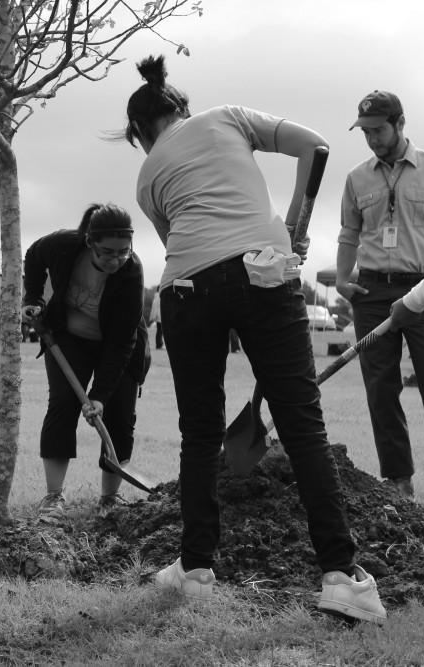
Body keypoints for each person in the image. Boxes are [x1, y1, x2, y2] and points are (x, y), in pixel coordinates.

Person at [121, 55, 385, 623]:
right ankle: (341, 577)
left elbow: (181, 244)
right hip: (264, 271)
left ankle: (195, 569)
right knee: (301, 423)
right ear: (182, 109)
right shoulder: (228, 117)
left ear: (140, 134)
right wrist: (293, 225)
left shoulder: (146, 179)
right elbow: (316, 147)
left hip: (186, 289)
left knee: (199, 431)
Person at [22, 203, 150, 522]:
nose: (116, 259)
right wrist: (33, 299)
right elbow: (34, 256)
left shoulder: (131, 271)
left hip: (118, 346)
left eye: (123, 251)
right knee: (63, 404)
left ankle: (110, 499)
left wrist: (99, 396)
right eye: (107, 252)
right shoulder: (63, 245)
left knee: (120, 416)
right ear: (90, 241)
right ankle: (54, 497)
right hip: (69, 340)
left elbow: (122, 342)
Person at [336, 90, 424, 502]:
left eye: (378, 129)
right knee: (381, 388)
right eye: (366, 132)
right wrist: (343, 279)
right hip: (372, 291)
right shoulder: (357, 178)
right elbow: (349, 233)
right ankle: (398, 482)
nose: (373, 138)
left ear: (400, 123)